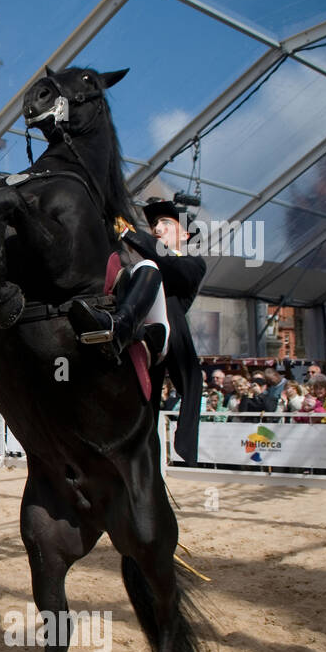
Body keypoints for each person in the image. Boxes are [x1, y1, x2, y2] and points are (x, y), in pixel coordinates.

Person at [69, 197, 207, 462]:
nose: (156, 228)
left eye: (165, 223)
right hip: (136, 339)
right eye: (154, 224)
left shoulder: (192, 263)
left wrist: (128, 232)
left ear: (185, 233)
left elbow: (168, 266)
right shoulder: (139, 259)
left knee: (147, 267)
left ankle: (124, 329)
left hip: (162, 332)